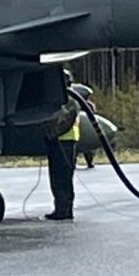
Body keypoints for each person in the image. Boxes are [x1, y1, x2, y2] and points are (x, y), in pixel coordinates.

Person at [43, 69, 80, 220]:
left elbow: (65, 122)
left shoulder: (69, 101)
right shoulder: (63, 99)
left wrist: (50, 134)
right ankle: (61, 208)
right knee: (57, 177)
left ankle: (64, 210)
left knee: (62, 177)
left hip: (64, 142)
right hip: (61, 141)